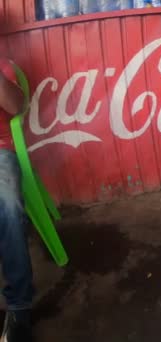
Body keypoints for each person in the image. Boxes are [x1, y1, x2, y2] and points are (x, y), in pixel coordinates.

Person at [0, 57, 33, 342]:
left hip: (0, 152)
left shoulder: (5, 67)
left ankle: (19, 307)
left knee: (8, 206)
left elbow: (16, 107)